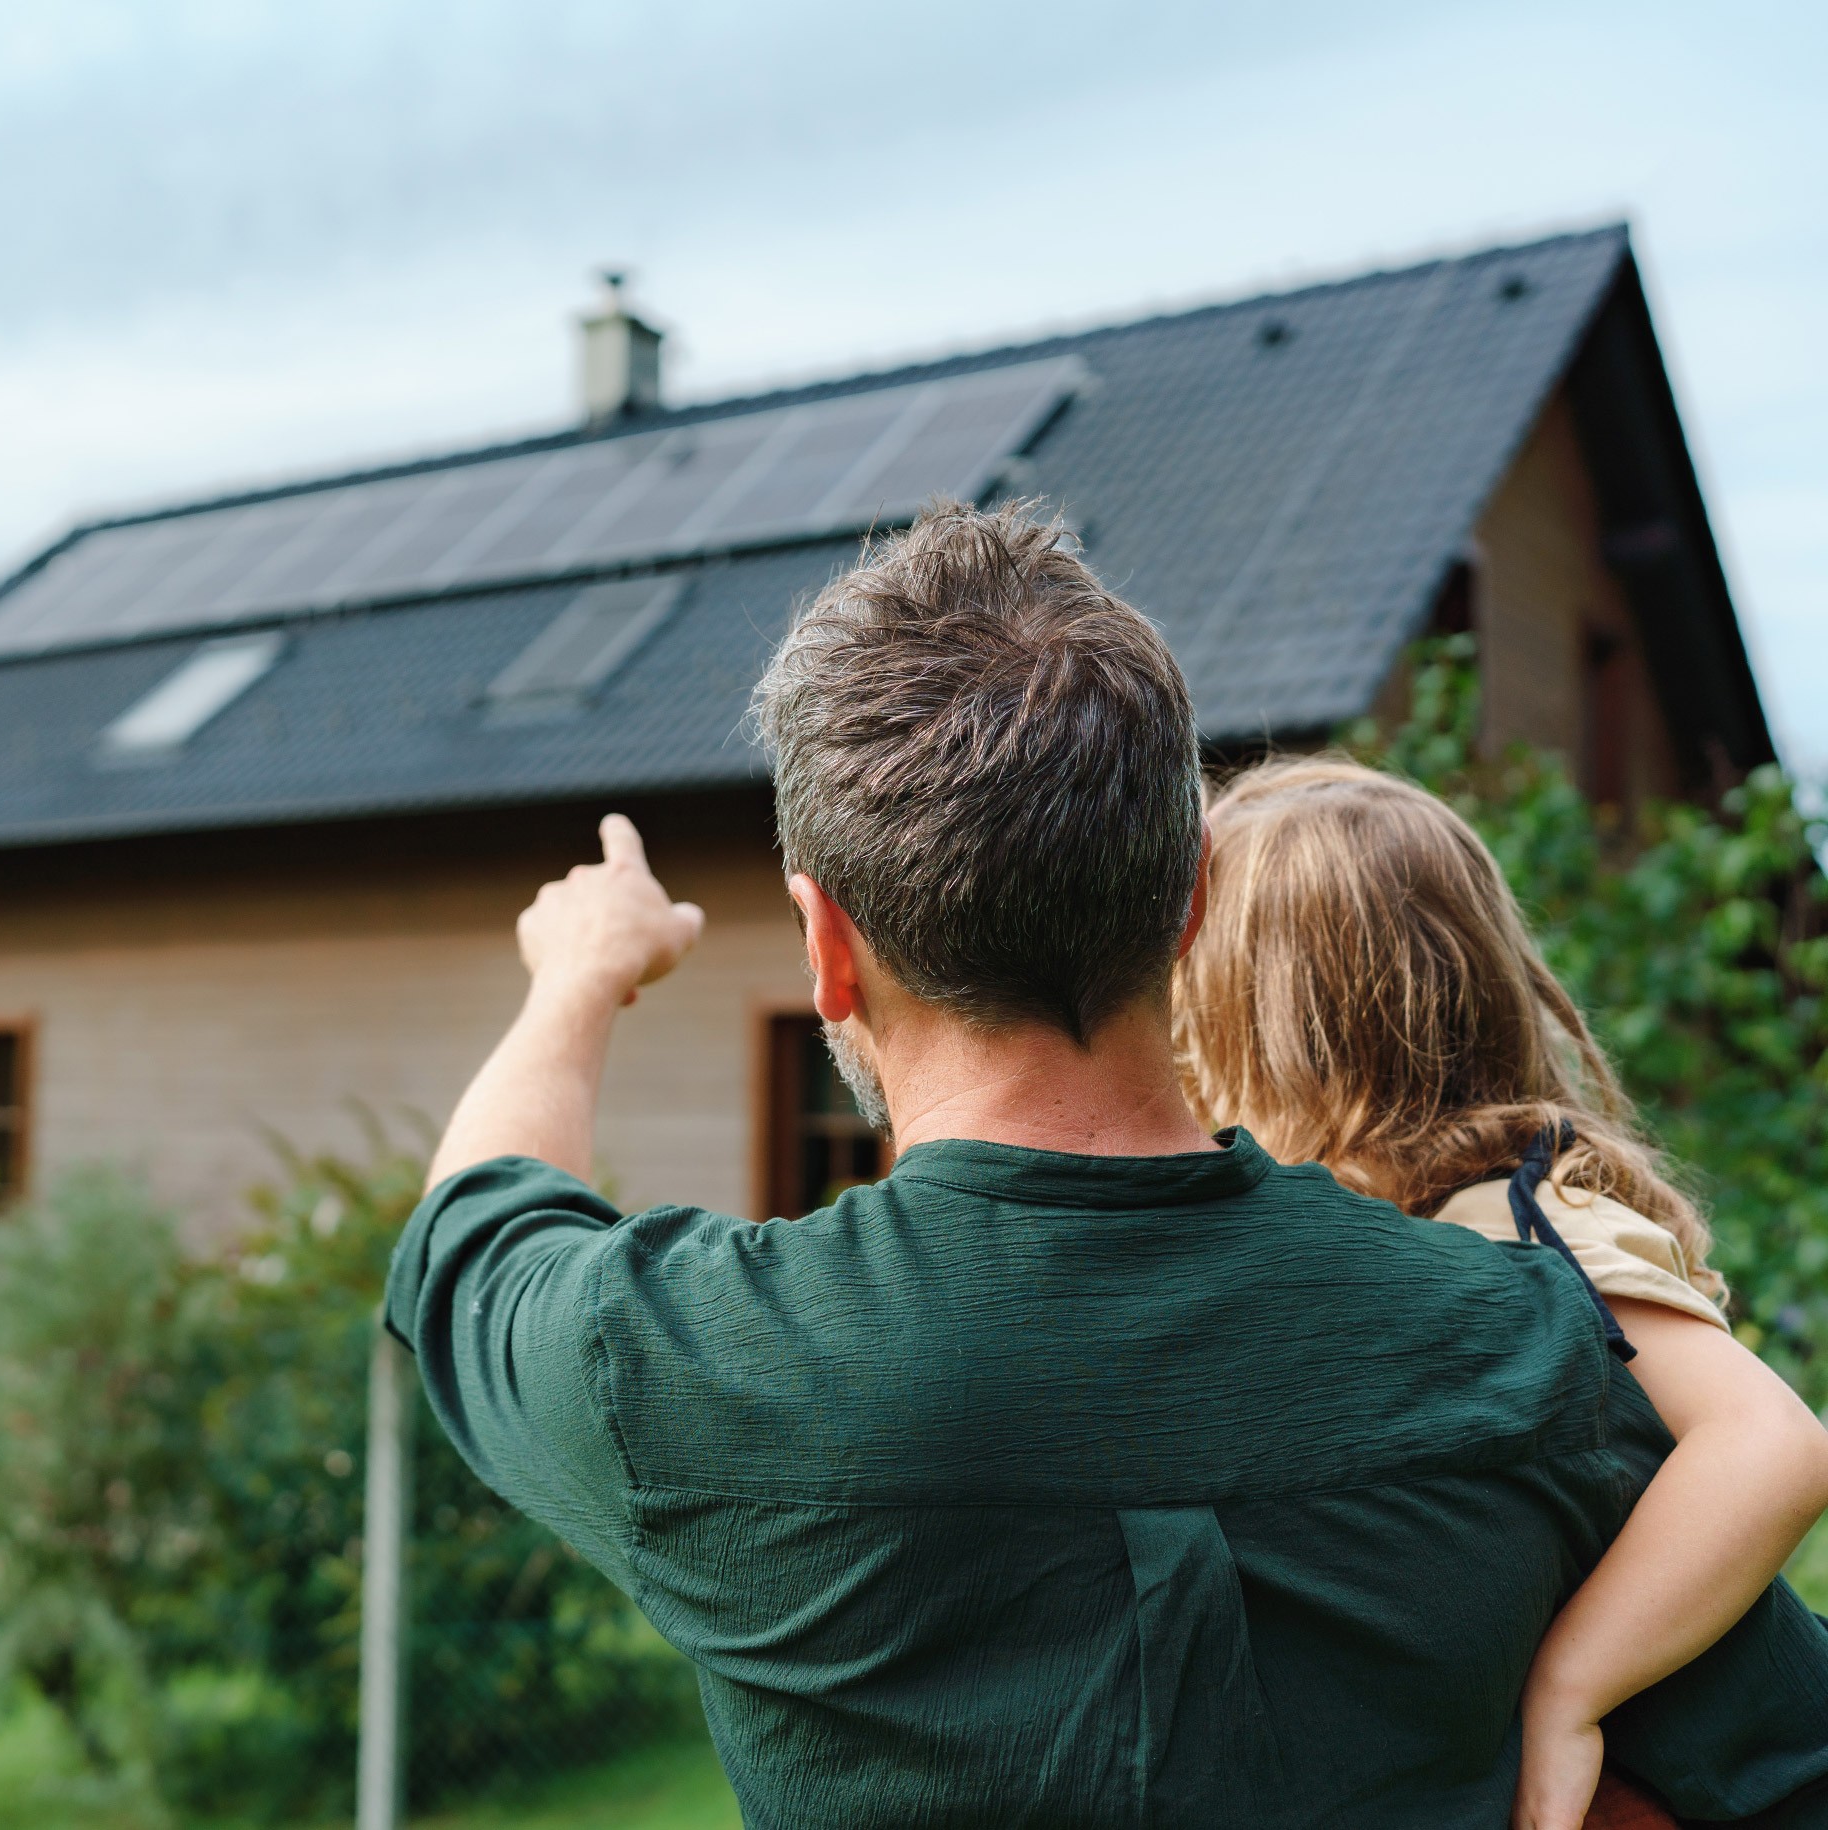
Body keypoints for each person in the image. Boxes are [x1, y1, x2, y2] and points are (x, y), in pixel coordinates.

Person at [386, 502, 1828, 1829]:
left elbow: (472, 1225)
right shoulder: (1519, 1338)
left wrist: (580, 975)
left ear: (828, 946)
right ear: (1190, 894)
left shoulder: (685, 1364)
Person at [1172, 757, 1828, 1829]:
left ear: (1270, 1032)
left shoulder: (1522, 1221)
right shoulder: (1412, 1230)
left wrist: (1567, 1691)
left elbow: (1770, 1446)